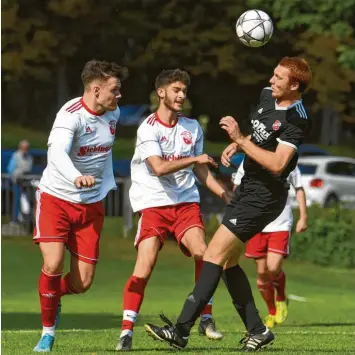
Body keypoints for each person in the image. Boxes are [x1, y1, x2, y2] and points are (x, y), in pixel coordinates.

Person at [144, 56, 312, 352]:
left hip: (264, 198)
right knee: (228, 262)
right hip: (247, 190)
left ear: (294, 85)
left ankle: (181, 331)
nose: (271, 80)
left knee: (213, 255)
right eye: (272, 74)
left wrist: (239, 139)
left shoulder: (297, 118)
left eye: (278, 77)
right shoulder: (266, 96)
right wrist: (239, 143)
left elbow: (277, 163)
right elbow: (259, 136)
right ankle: (258, 330)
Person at [116, 69, 232, 351]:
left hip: (185, 204)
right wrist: (194, 158)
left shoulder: (192, 127)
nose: (182, 95)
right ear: (161, 93)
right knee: (144, 267)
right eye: (176, 90)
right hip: (153, 205)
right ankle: (126, 332)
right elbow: (158, 168)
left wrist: (224, 193)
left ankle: (206, 318)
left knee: (204, 254)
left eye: (184, 91)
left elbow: (201, 170)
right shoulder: (148, 128)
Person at [32, 59, 127, 352]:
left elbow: (103, 155)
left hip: (91, 205)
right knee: (53, 263)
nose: (119, 95)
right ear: (96, 89)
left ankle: (52, 296)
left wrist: (106, 182)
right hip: (57, 200)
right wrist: (76, 177)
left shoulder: (114, 113)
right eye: (115, 89)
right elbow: (57, 154)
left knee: (82, 283)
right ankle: (48, 333)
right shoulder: (69, 116)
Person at [233, 162, 308, 328]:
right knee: (261, 273)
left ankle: (281, 297)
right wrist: (236, 214)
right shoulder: (248, 160)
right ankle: (272, 311)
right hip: (255, 222)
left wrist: (303, 217)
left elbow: (299, 188)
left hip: (280, 223)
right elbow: (237, 188)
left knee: (273, 268)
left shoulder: (287, 158)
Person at [7, 140, 33, 224]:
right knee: (17, 199)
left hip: (25, 181)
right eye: (24, 148)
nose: (25, 150)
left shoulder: (29, 156)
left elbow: (29, 167)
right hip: (17, 181)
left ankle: (25, 218)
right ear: (20, 148)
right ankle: (14, 219)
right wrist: (18, 173)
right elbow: (10, 169)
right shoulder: (15, 156)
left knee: (26, 200)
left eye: (26, 148)